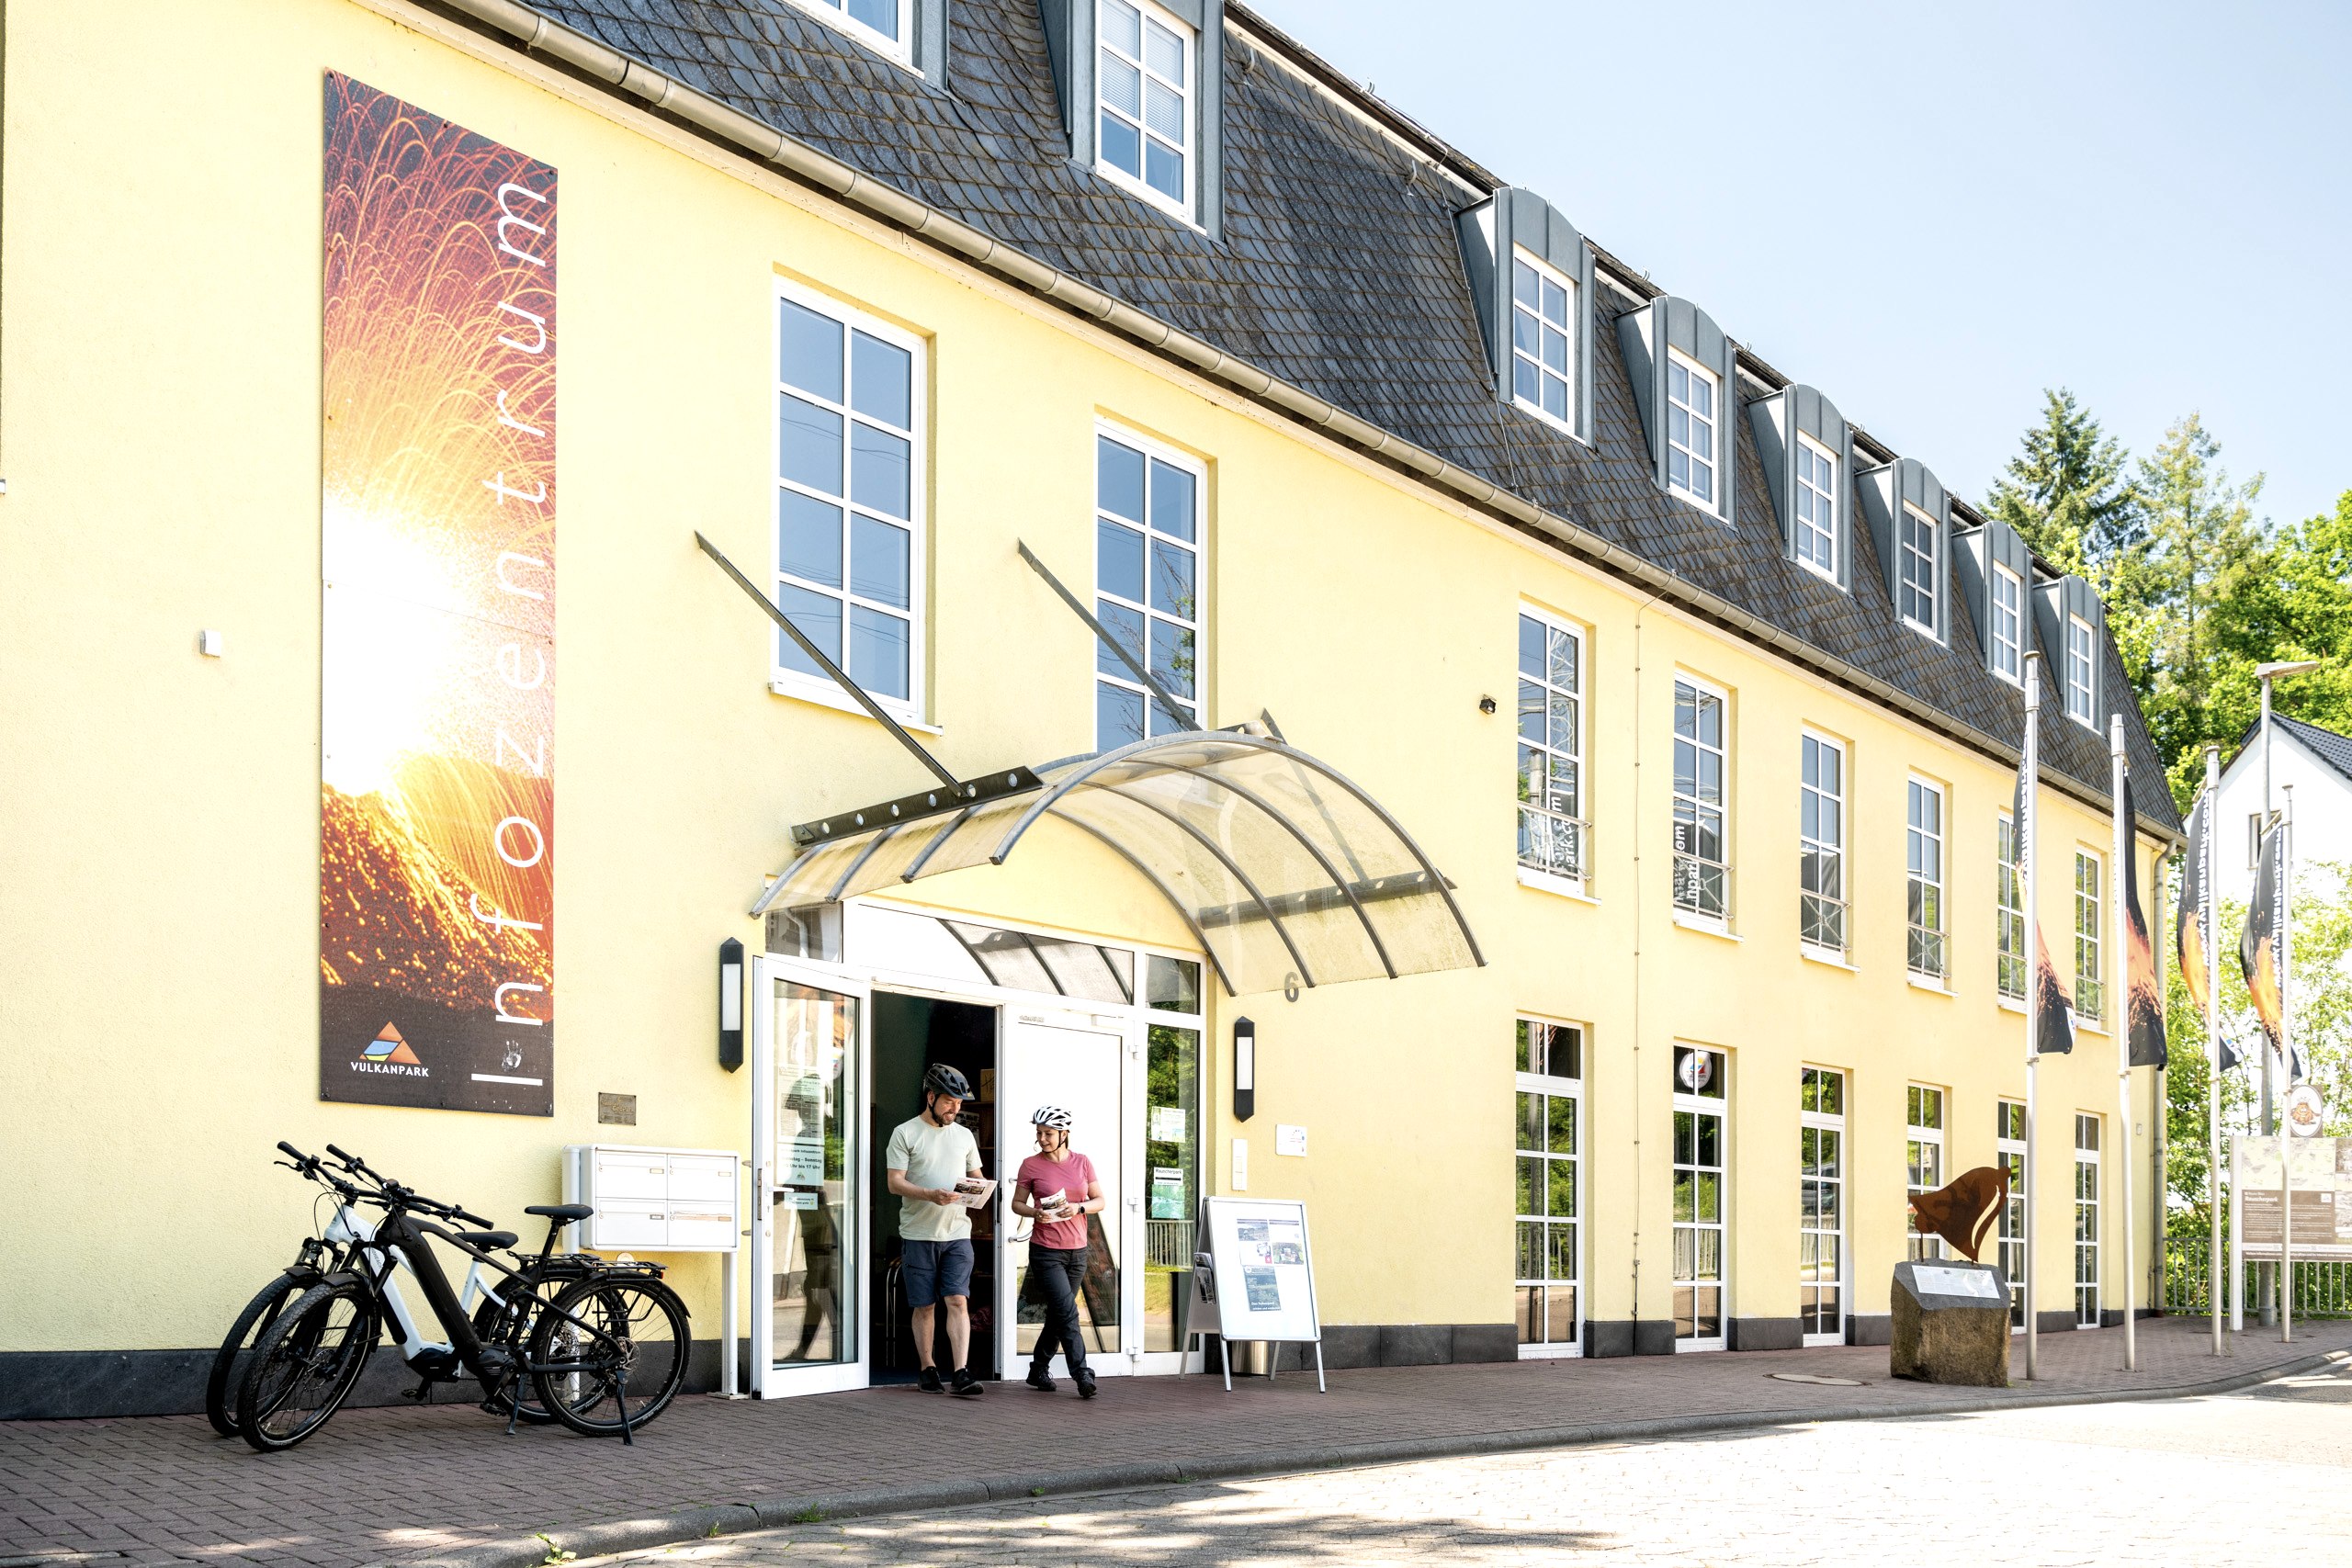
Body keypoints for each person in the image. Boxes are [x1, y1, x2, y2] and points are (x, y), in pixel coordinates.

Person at [885, 1063, 987, 1395]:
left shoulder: (964, 1136)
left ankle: (961, 1372)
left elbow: (977, 1177)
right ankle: (927, 1368)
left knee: (957, 1299)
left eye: (958, 1103)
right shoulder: (905, 1133)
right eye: (948, 1102)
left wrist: (981, 1189)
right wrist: (930, 1194)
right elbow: (895, 1183)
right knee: (925, 1304)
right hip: (918, 1234)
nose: (954, 1109)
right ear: (930, 1097)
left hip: (957, 1233)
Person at [1011, 1103, 1104, 1398]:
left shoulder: (1082, 1162)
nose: (1042, 1139)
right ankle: (1082, 1373)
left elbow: (1099, 1200)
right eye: (1039, 1133)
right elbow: (1017, 1204)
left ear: (1064, 1134)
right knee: (1068, 1312)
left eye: (1048, 1133)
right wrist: (1034, 1212)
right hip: (1046, 1251)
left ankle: (1038, 1368)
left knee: (1058, 1314)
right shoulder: (1030, 1165)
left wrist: (1078, 1207)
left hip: (1077, 1251)